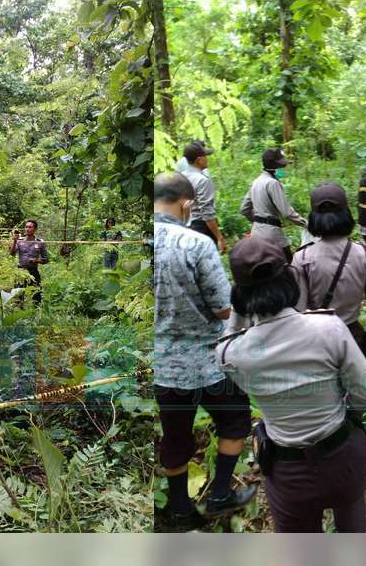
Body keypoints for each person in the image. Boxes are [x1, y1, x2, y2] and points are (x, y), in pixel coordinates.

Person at [217, 236, 366, 533]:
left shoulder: (232, 355)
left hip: (288, 471)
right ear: (290, 281)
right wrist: (348, 415)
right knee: (351, 507)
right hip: (344, 455)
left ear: (238, 296)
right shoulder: (329, 329)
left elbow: (228, 339)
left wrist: (239, 305)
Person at [154, 172, 257, 532]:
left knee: (175, 437)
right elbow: (222, 308)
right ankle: (219, 495)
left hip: (162, 369)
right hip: (208, 363)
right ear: (185, 204)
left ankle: (181, 510)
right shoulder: (196, 243)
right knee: (235, 421)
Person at [293, 183, 366, 347]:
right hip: (352, 337)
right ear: (346, 214)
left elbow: (299, 308)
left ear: (313, 218)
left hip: (315, 340)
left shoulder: (302, 258)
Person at [239, 148, 308, 262]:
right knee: (288, 266)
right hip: (273, 236)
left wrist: (257, 222)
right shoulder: (273, 183)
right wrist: (306, 224)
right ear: (274, 167)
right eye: (282, 166)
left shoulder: (256, 181)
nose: (284, 168)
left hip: (256, 235)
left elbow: (244, 209)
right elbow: (287, 212)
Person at [181, 141, 227, 253]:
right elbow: (207, 213)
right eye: (205, 156)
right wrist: (219, 238)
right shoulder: (202, 180)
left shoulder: (181, 177)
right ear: (199, 160)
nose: (207, 159)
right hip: (202, 228)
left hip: (187, 227)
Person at [9, 220, 49, 304]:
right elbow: (12, 254)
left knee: (36, 294)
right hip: (21, 271)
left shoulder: (40, 242)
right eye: (26, 227)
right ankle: (19, 313)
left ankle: (36, 313)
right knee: (18, 295)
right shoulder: (20, 241)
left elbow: (46, 259)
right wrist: (15, 241)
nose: (27, 229)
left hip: (33, 271)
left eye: (30, 227)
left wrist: (36, 260)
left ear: (35, 229)